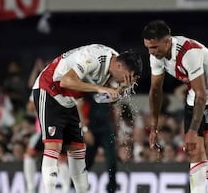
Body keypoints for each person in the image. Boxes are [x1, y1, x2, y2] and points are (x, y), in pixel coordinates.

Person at [32, 44, 142, 193]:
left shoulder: (113, 66)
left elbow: (98, 98)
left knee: (77, 149)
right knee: (54, 146)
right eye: (127, 76)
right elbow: (66, 81)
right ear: (120, 66)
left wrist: (120, 89)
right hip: (50, 89)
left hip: (70, 100)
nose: (127, 80)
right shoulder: (94, 58)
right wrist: (100, 88)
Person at [143, 20, 208, 193]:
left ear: (167, 41)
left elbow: (202, 94)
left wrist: (193, 130)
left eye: (155, 47)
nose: (151, 52)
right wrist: (153, 127)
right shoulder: (156, 56)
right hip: (194, 96)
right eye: (148, 48)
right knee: (194, 150)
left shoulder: (190, 52)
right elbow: (155, 90)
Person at [78, 95, 118, 193]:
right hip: (92, 129)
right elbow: (79, 106)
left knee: (112, 160)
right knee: (87, 161)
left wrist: (114, 127)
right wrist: (85, 129)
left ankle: (111, 189)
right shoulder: (90, 87)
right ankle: (74, 185)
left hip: (106, 129)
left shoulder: (107, 86)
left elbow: (113, 105)